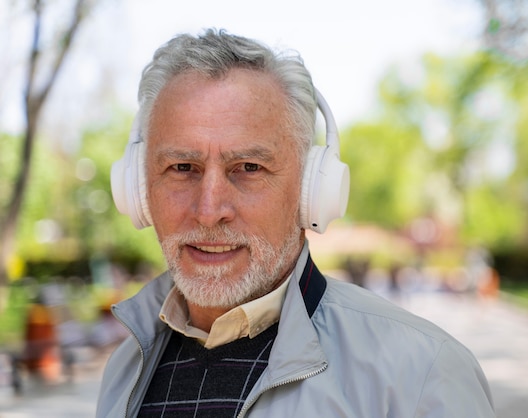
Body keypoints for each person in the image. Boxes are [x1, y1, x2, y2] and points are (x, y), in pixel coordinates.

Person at [97, 28, 495, 417]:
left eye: (248, 167)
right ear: (139, 187)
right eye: (182, 167)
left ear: (311, 191)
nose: (209, 209)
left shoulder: (420, 375)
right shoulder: (127, 366)